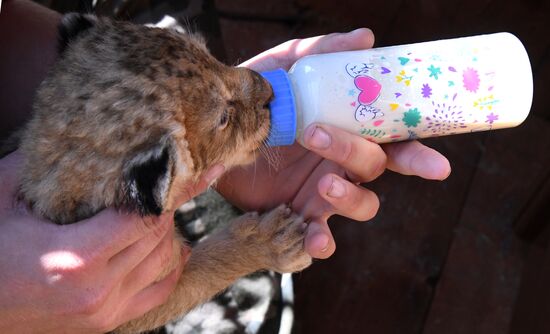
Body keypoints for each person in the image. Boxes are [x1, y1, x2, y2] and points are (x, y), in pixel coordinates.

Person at [0, 0, 451, 332]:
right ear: (154, 182)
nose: (257, 85)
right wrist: (240, 251)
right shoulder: (104, 211)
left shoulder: (132, 174)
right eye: (226, 115)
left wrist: (228, 137)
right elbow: (135, 310)